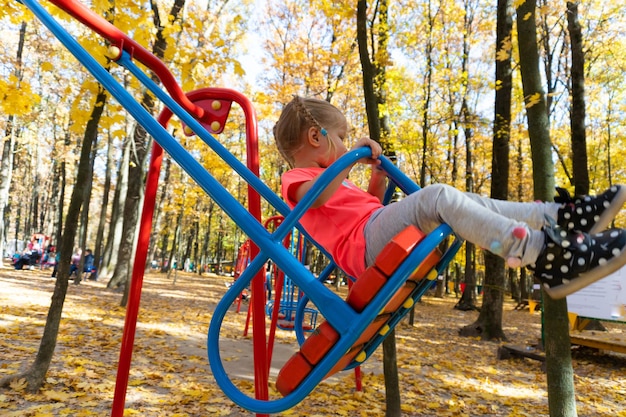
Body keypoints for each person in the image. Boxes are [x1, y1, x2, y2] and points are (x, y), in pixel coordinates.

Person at [272, 96, 626, 299]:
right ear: (317, 138)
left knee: (463, 200)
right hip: (362, 251)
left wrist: (378, 176)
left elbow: (369, 207)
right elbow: (315, 201)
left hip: (371, 230)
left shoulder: (332, 177)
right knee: (437, 196)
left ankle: (556, 217)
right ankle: (541, 254)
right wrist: (348, 165)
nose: (347, 145)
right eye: (341, 135)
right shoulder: (297, 178)